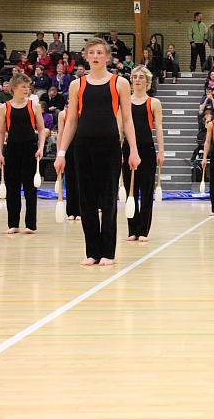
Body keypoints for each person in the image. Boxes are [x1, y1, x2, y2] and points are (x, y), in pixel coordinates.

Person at [54, 38, 141, 266]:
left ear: (107, 57)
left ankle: (108, 252)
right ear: (85, 56)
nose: (95, 56)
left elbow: (127, 120)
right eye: (91, 52)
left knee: (108, 198)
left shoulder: (120, 83)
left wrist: (133, 150)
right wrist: (61, 153)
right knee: (87, 200)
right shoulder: (77, 85)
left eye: (100, 52)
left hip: (109, 145)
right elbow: (72, 121)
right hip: (83, 146)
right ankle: (92, 251)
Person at [0, 74, 48, 234]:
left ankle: (31, 224)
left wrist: (41, 147)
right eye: (23, 87)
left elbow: (41, 130)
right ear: (14, 88)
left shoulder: (34, 106)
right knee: (12, 188)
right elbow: (1, 132)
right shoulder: (4, 107)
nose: (27, 89)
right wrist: (0, 153)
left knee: (30, 188)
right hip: (12, 149)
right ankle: (13, 224)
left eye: (28, 86)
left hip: (30, 149)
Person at [122, 66, 164, 241]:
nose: (138, 79)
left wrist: (161, 150)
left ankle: (143, 230)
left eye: (141, 77)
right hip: (127, 149)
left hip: (147, 149)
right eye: (135, 77)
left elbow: (159, 127)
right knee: (130, 189)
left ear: (147, 82)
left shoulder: (153, 102)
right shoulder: (124, 102)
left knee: (146, 191)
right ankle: (132, 229)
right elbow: (121, 127)